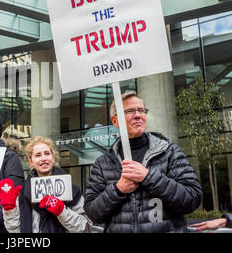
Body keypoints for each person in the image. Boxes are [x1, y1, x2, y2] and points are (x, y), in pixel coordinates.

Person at [83, 91, 203, 232]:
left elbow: (193, 198)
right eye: (130, 111)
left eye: (141, 110)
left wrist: (148, 177)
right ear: (115, 121)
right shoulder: (103, 164)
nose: (138, 115)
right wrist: (118, 190)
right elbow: (92, 213)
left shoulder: (169, 152)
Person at [0, 136, 92, 233]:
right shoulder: (23, 193)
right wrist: (9, 210)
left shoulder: (71, 190)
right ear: (31, 161)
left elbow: (85, 228)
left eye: (47, 154)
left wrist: (62, 211)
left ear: (53, 158)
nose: (43, 158)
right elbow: (14, 230)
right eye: (38, 155)